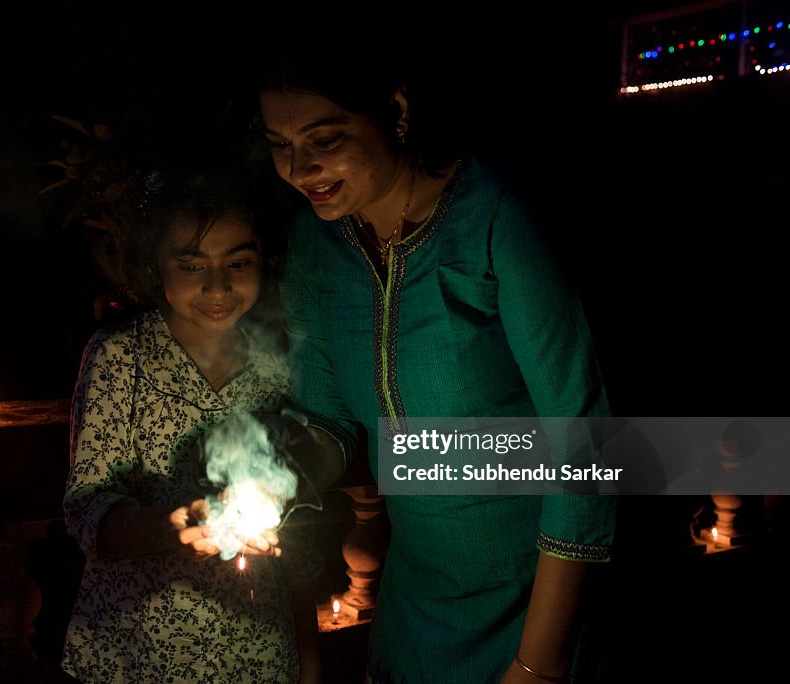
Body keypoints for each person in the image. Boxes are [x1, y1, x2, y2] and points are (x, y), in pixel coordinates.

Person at [253, 43, 616, 684]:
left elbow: (582, 438)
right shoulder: (316, 241)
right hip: (413, 604)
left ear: (395, 112)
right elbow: (328, 424)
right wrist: (259, 489)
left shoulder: (494, 215)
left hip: (540, 598)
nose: (299, 168)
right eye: (279, 145)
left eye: (324, 139)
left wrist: (538, 662)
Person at [60, 170, 321, 683]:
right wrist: (172, 526)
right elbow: (86, 506)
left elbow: (300, 534)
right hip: (134, 652)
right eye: (192, 264)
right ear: (156, 267)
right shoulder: (120, 357)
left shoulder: (279, 363)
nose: (217, 285)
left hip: (257, 654)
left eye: (238, 263)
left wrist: (308, 662)